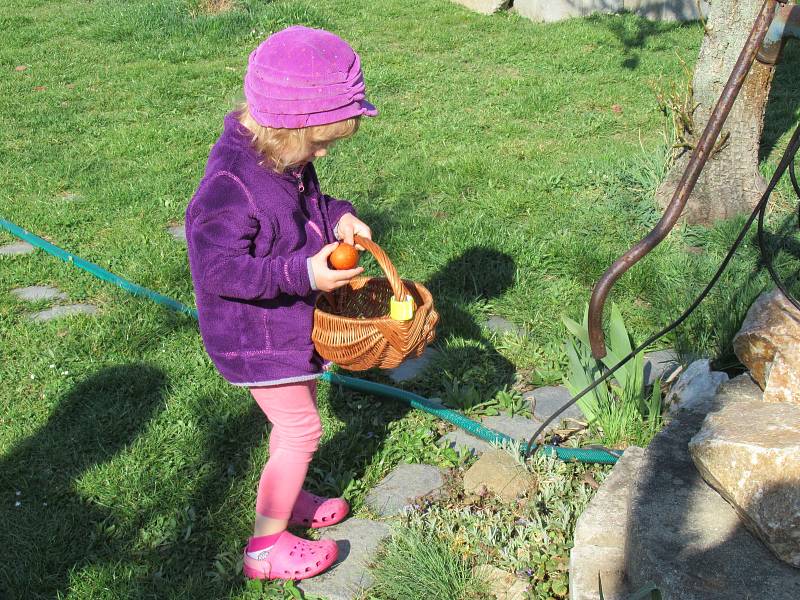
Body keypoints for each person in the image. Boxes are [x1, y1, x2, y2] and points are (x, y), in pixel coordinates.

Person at [184, 25, 377, 581]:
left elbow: (305, 204)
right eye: (320, 144)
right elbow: (220, 269)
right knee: (302, 430)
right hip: (254, 336)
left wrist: (336, 213)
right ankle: (266, 547)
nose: (320, 153)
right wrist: (304, 271)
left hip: (284, 326)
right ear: (284, 125)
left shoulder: (281, 156)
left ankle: (286, 496)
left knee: (297, 419)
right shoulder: (231, 186)